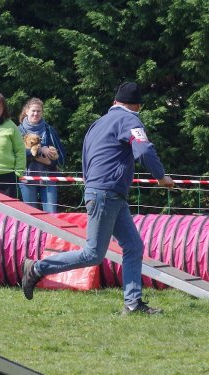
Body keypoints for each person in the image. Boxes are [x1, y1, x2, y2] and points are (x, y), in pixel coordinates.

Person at [21, 82, 174, 314]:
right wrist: (161, 177)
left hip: (105, 192)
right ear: (137, 106)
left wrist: (93, 187)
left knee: (133, 245)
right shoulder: (130, 119)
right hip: (107, 192)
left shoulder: (98, 123)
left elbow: (86, 156)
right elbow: (143, 150)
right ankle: (38, 268)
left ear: (114, 103)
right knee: (93, 253)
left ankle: (133, 304)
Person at [18, 98, 66, 212]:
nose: (36, 113)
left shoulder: (49, 131)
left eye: (39, 111)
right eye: (33, 110)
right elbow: (16, 154)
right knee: (31, 216)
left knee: (51, 215)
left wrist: (50, 161)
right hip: (27, 179)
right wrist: (40, 151)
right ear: (27, 111)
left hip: (48, 179)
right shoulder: (18, 131)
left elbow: (62, 157)